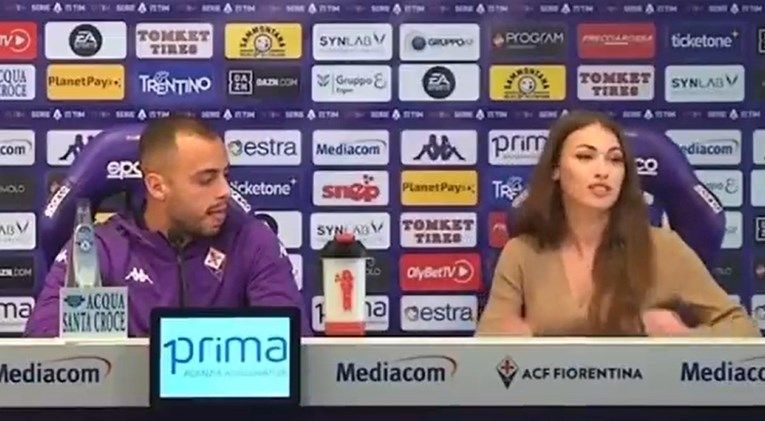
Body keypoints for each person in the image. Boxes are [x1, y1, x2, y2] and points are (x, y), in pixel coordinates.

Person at [476, 110, 761, 337]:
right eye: (585, 157)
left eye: (615, 160)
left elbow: (743, 329)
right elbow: (487, 345)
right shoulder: (522, 253)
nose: (603, 171)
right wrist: (512, 340)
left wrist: (684, 338)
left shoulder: (663, 248)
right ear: (555, 170)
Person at [25, 115, 311, 336]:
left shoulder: (253, 241)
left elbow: (291, 344)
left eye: (225, 175)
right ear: (157, 186)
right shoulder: (100, 249)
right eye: (206, 179)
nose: (225, 191)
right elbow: (46, 350)